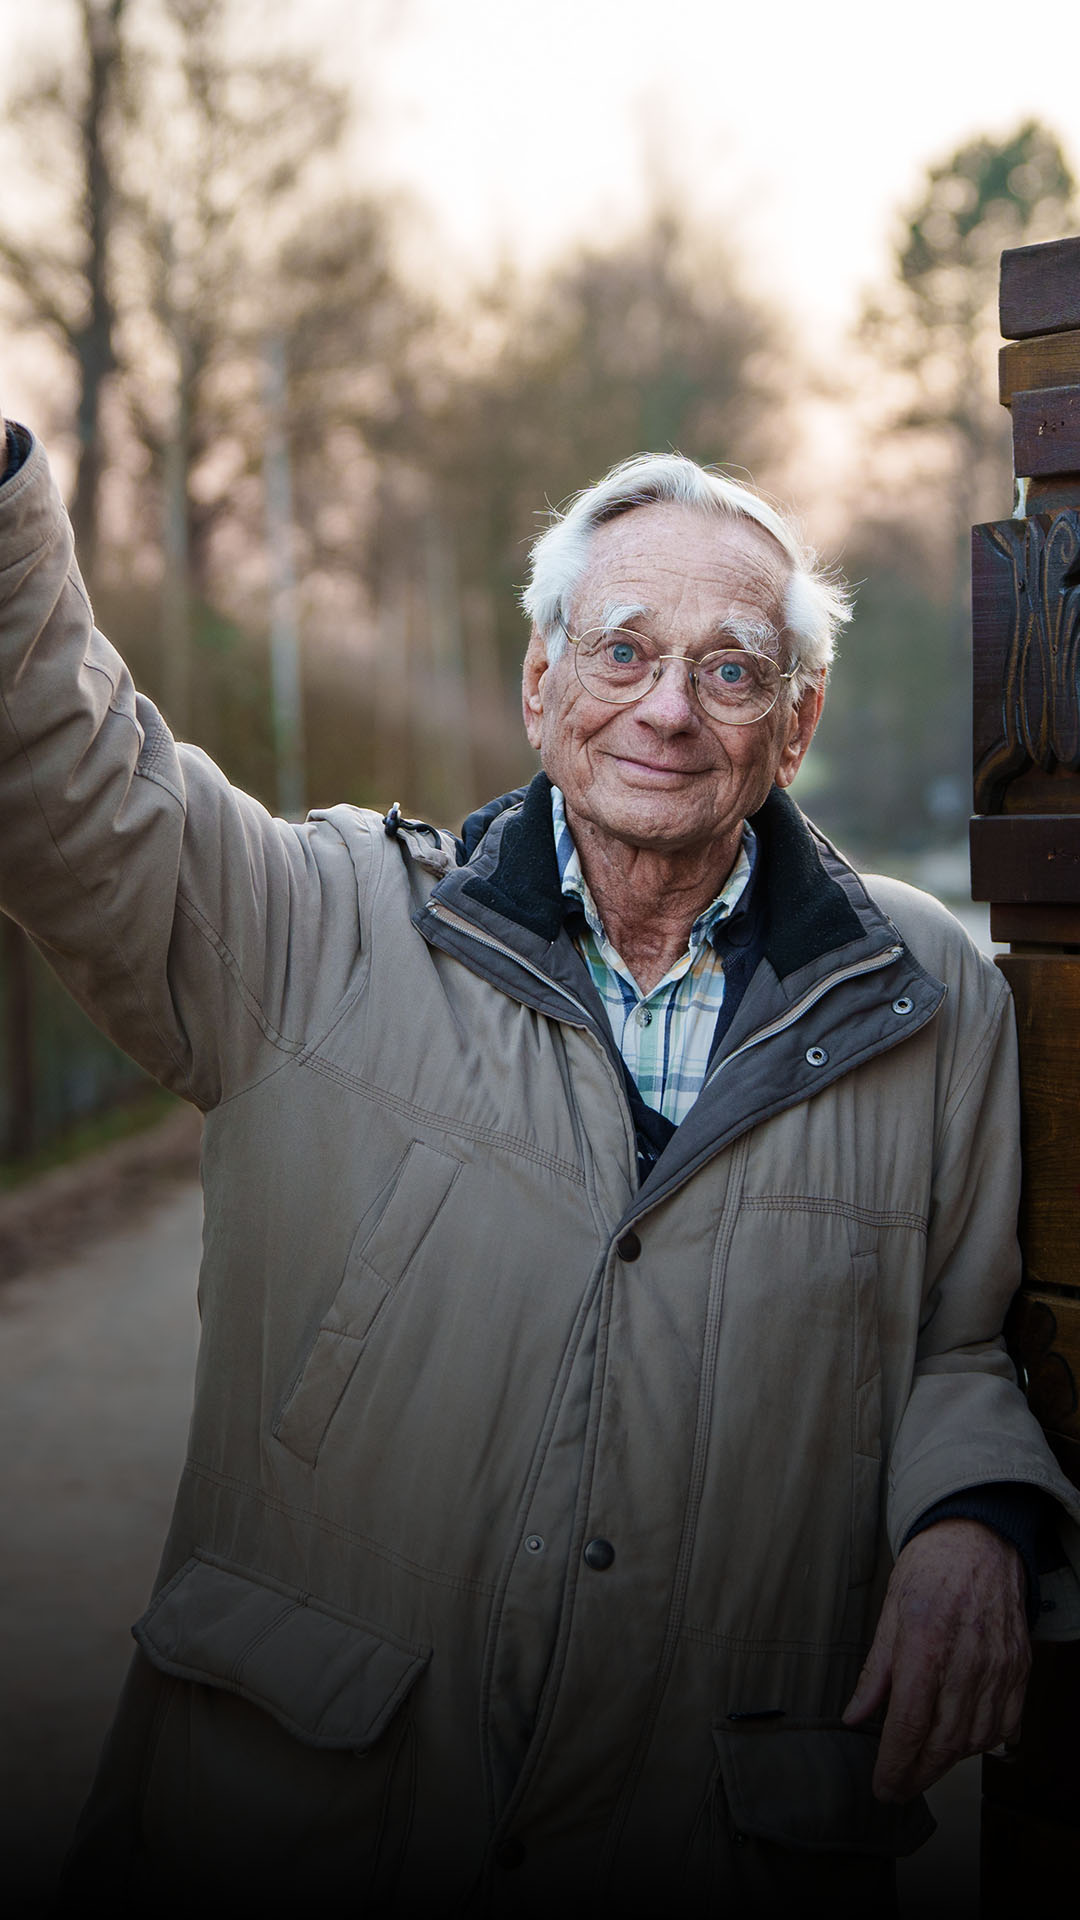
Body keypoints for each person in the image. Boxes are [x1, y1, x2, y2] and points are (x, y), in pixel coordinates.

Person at [1, 408, 1078, 1920]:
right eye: (621, 652)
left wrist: (973, 1520)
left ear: (797, 724)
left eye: (730, 670)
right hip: (297, 1821)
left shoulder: (924, 993)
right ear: (539, 682)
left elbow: (956, 1347)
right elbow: (70, 781)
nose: (667, 710)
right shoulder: (323, 928)